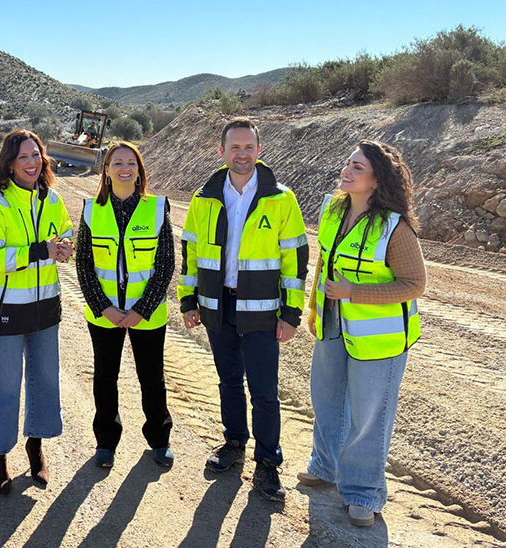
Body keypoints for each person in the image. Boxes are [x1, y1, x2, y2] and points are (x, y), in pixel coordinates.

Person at [177, 117, 308, 502]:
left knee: (264, 390)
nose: (242, 154)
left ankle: (267, 463)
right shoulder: (204, 197)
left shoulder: (280, 198)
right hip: (217, 305)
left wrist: (291, 313)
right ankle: (234, 442)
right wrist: (188, 300)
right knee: (228, 381)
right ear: (222, 151)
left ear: (259, 150)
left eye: (249, 147)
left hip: (263, 309)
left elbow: (295, 259)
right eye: (234, 147)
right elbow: (191, 252)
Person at [297, 140, 425, 527]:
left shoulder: (394, 227)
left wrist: (355, 292)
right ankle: (325, 466)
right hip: (332, 323)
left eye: (357, 167)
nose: (347, 171)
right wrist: (315, 308)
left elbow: (414, 284)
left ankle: (363, 493)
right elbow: (325, 262)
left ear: (376, 180)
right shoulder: (333, 209)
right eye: (348, 163)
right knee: (327, 400)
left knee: (369, 416)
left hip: (379, 338)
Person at [0, 129, 74, 494]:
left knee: (45, 379)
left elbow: (66, 232)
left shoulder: (53, 199)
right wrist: (38, 251)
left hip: (46, 307)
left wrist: (65, 246)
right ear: (10, 163)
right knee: (4, 384)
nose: (31, 163)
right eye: (23, 157)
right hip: (7, 310)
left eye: (36, 155)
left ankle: (36, 445)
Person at [74, 142, 175, 469]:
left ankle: (159, 439)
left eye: (131, 163)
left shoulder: (156, 208)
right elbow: (84, 264)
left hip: (147, 314)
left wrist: (141, 310)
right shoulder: (91, 210)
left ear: (139, 170)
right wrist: (104, 307)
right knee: (105, 377)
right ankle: (106, 442)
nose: (124, 168)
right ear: (106, 170)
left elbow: (166, 264)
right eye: (117, 163)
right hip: (104, 314)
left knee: (152, 377)